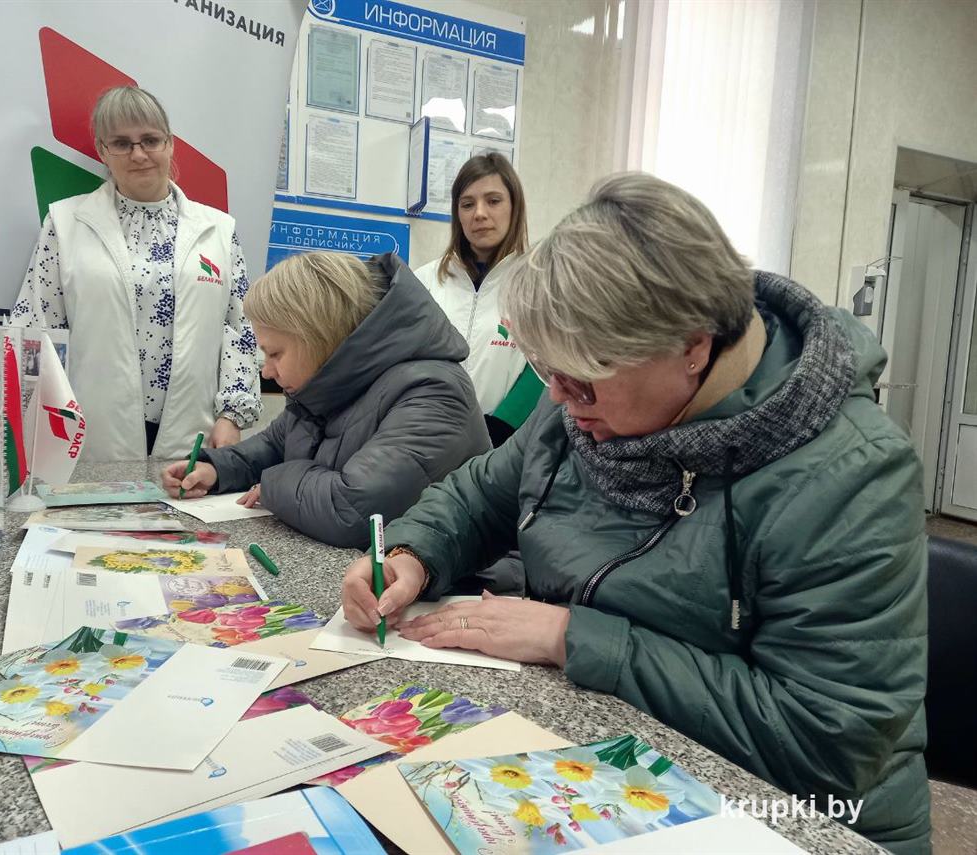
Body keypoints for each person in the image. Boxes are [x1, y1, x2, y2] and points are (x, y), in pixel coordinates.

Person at [341, 174, 930, 853]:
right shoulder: (582, 400)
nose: (558, 397)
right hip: (602, 754)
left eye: (581, 379)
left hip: (800, 820)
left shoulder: (852, 474)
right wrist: (412, 554)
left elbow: (822, 741)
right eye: (547, 370)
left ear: (694, 346)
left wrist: (572, 636)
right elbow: (480, 495)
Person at [162, 251, 491, 549]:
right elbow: (274, 444)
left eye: (275, 353)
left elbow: (352, 509)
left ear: (318, 336)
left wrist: (272, 485)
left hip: (449, 589)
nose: (267, 372)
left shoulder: (433, 391)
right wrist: (216, 469)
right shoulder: (327, 382)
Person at [11, 85, 259, 460]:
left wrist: (232, 415)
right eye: (122, 143)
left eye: (150, 140)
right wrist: (45, 425)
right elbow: (37, 329)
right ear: (102, 151)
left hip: (195, 433)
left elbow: (239, 330)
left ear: (170, 144)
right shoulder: (64, 223)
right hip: (89, 436)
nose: (139, 154)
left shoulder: (219, 231)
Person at [414, 154, 542, 447]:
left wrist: (500, 428)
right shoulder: (425, 281)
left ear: (514, 206)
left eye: (493, 201)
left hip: (504, 443)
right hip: (427, 438)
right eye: (467, 204)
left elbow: (544, 371)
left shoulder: (539, 284)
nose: (479, 213)